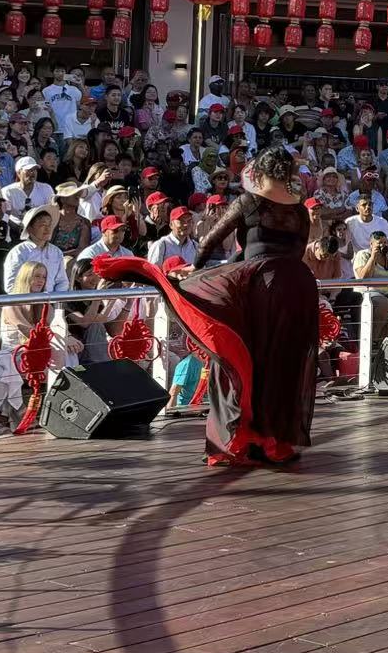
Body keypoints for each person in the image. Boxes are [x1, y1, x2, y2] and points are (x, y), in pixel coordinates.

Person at [92, 146, 321, 466]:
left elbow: (210, 240)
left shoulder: (250, 201)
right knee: (283, 364)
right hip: (298, 286)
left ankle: (238, 439)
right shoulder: (298, 209)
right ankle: (275, 442)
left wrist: (197, 269)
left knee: (240, 359)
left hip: (262, 286)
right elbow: (294, 249)